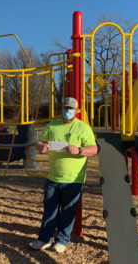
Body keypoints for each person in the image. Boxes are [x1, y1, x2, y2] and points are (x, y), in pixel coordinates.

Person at [29, 97, 97, 253]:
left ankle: (62, 240)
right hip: (53, 177)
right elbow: (39, 142)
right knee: (49, 209)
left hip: (74, 179)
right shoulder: (53, 125)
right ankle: (44, 239)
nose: (68, 111)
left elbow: (93, 149)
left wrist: (79, 150)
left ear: (76, 110)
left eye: (71, 108)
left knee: (68, 211)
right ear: (61, 109)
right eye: (66, 108)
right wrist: (41, 146)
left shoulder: (83, 128)